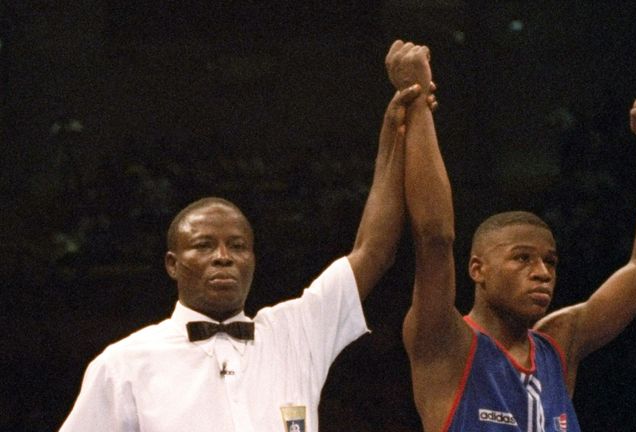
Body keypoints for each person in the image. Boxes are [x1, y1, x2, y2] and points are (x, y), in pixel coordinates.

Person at [59, 68, 436, 431]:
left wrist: (395, 133)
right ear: (172, 264)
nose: (223, 256)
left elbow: (374, 251)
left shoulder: (296, 332)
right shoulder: (124, 363)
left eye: (237, 246)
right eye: (204, 245)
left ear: (253, 259)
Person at [388, 39, 636, 431]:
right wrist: (418, 102)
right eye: (522, 258)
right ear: (478, 269)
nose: (542, 271)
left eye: (550, 261)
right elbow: (434, 236)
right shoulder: (446, 344)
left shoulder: (558, 345)